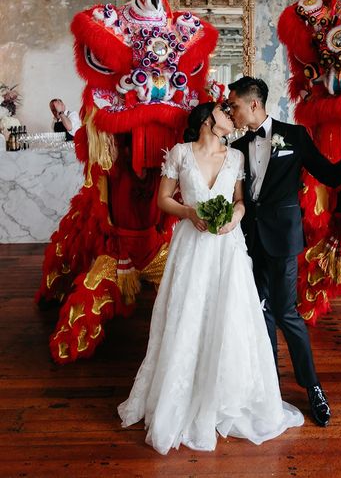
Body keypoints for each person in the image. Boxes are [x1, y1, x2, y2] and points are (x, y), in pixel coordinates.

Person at [118, 101, 304, 454]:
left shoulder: (235, 157)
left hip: (227, 247)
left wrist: (234, 217)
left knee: (230, 314)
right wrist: (189, 212)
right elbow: (162, 200)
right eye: (223, 111)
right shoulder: (180, 153)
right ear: (207, 119)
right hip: (191, 245)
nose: (230, 116)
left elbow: (239, 201)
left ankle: (224, 396)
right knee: (188, 312)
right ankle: (182, 394)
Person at [227, 76, 341, 428]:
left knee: (286, 313)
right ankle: (268, 387)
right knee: (259, 313)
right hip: (245, 239)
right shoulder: (236, 145)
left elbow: (330, 176)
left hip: (283, 238)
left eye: (234, 104)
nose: (231, 111)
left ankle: (312, 386)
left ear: (253, 104)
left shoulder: (294, 136)